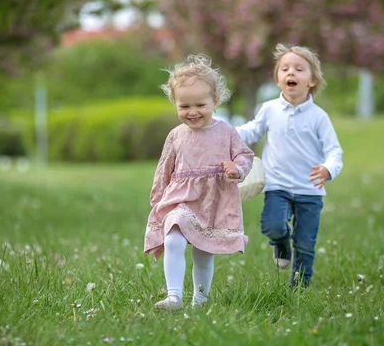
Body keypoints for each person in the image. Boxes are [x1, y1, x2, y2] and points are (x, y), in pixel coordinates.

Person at [144, 54, 254, 310]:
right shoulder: (175, 135)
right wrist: (158, 201)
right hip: (181, 199)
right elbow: (164, 168)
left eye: (200, 105)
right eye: (184, 107)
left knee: (204, 251)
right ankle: (174, 296)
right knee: (173, 235)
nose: (192, 112)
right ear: (176, 104)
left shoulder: (226, 131)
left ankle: (200, 301)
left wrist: (237, 169)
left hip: (213, 201)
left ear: (215, 102)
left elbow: (244, 155)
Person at [236, 43, 343, 288]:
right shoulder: (270, 109)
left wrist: (329, 169)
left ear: (312, 80)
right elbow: (252, 131)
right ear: (277, 79)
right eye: (284, 69)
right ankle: (281, 245)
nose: (290, 73)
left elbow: (334, 150)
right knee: (273, 226)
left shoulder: (319, 117)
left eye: (298, 69)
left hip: (310, 190)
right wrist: (225, 133)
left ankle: (300, 287)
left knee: (305, 243)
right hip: (277, 185)